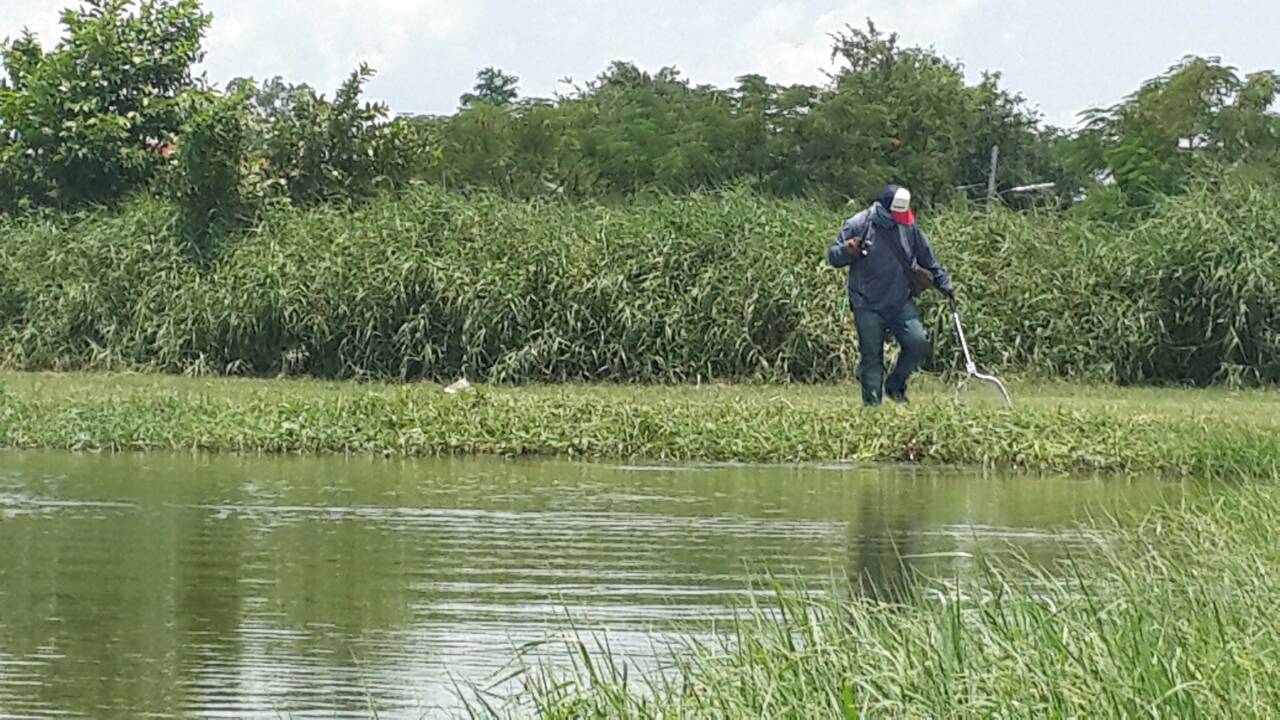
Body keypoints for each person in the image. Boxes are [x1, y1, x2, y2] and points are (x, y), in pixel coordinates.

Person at [827, 184, 955, 406]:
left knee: (917, 342)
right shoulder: (859, 223)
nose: (901, 219)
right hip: (866, 302)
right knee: (872, 357)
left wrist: (945, 285)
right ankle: (873, 408)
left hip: (899, 301)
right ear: (885, 209)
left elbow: (928, 259)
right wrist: (847, 251)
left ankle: (895, 386)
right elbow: (833, 256)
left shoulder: (909, 227)